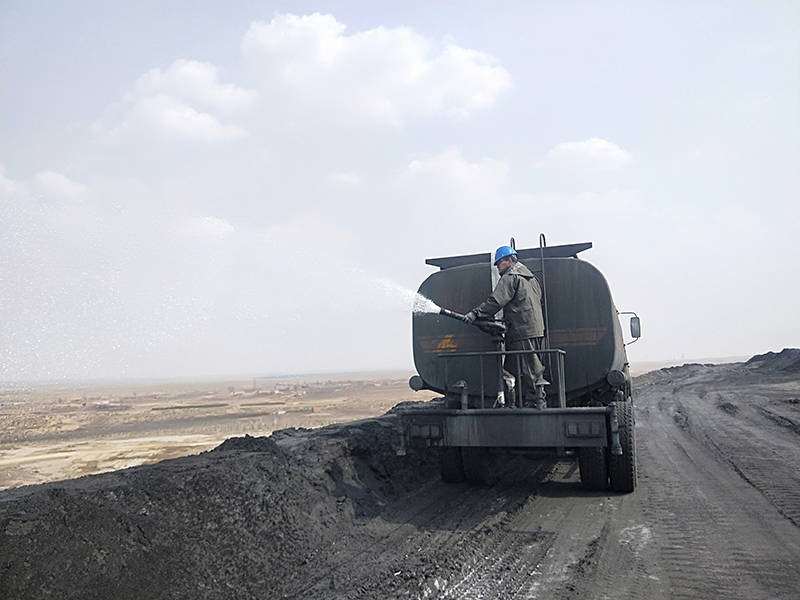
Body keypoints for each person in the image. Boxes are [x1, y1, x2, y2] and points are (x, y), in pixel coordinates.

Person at [465, 246, 548, 408]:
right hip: (536, 329)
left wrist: (476, 313)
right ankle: (520, 399)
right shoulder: (531, 278)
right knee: (524, 366)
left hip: (522, 329)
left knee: (530, 369)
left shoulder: (511, 276)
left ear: (510, 260)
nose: (498, 268)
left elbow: (497, 301)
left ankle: (537, 402)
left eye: (499, 263)